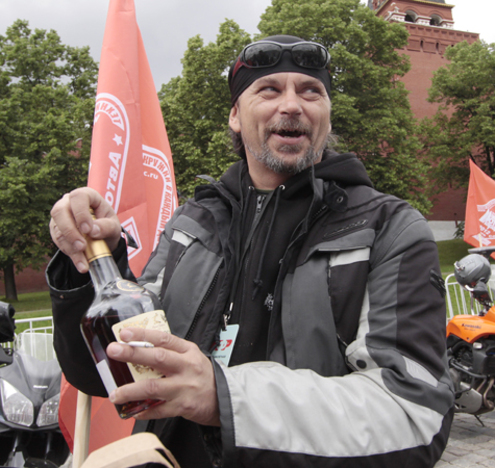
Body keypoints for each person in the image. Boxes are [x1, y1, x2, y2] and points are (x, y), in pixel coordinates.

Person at [47, 35, 454, 467]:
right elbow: (110, 372)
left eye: (311, 91)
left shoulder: (389, 227)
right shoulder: (192, 223)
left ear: (327, 115)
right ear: (235, 116)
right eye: (269, 90)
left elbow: (413, 414)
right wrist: (92, 262)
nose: (292, 105)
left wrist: (222, 398)